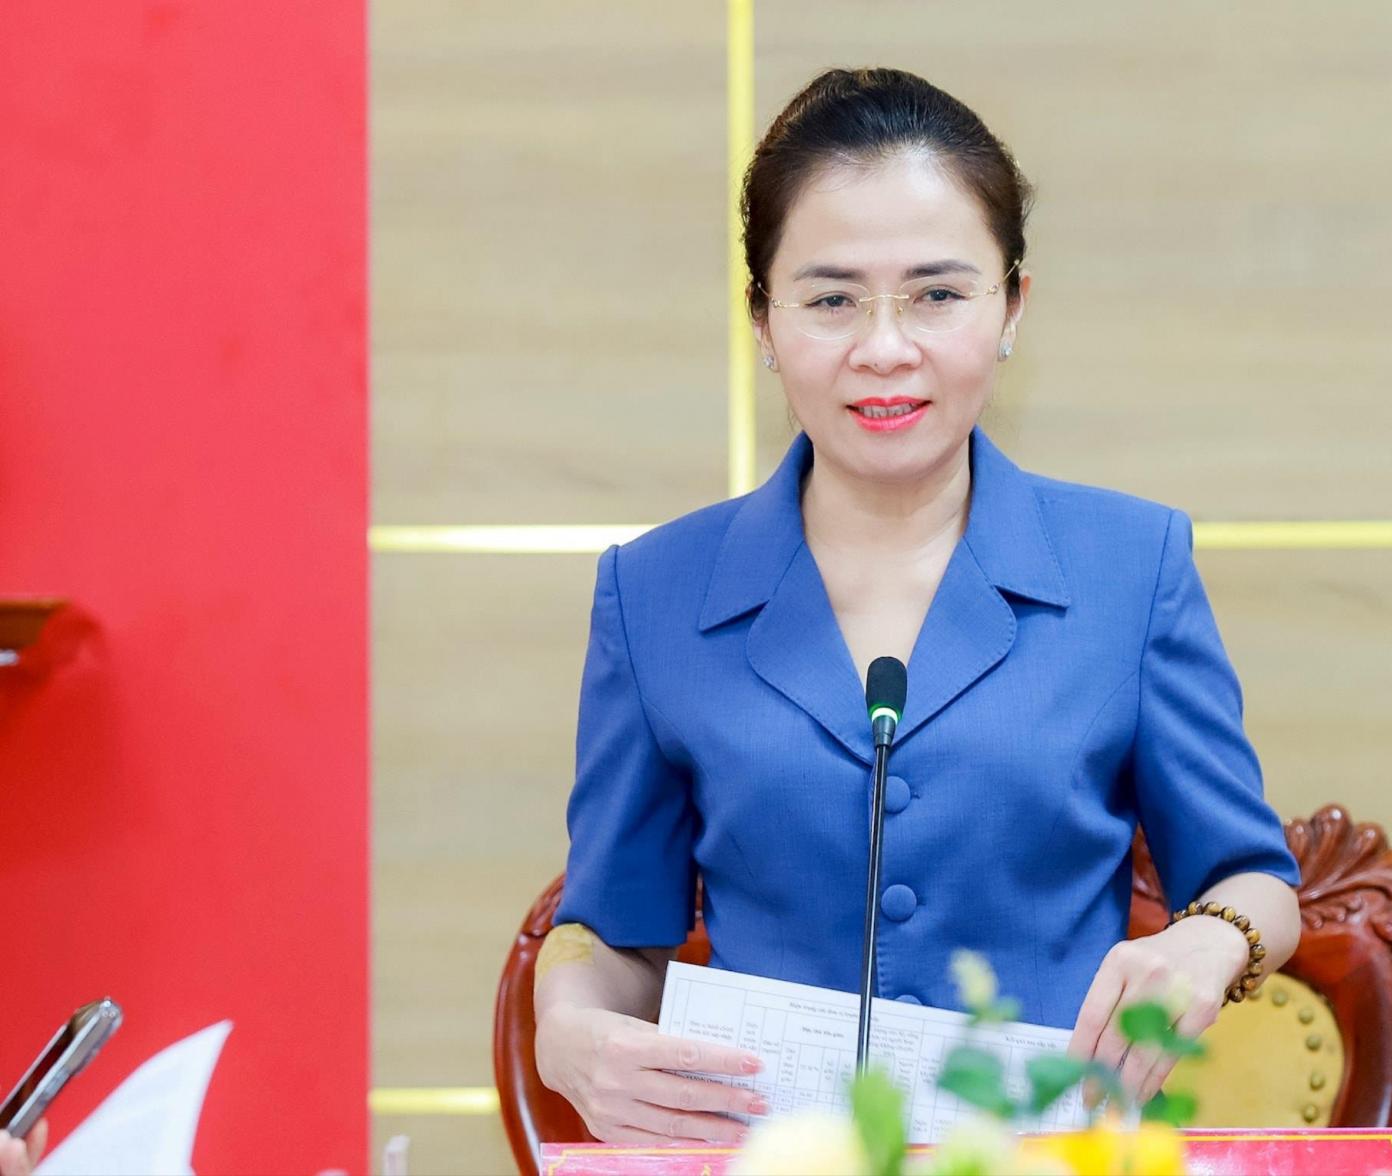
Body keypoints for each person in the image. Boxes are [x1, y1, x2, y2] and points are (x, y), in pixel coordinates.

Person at [533, 66, 1302, 1147]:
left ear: (1012, 307)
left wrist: (1210, 940)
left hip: (1047, 1156)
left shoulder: (1132, 568)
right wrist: (566, 1026)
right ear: (762, 319)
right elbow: (616, 929)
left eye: (937, 295)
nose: (885, 348)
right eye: (831, 299)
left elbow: (1250, 875)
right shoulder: (655, 592)